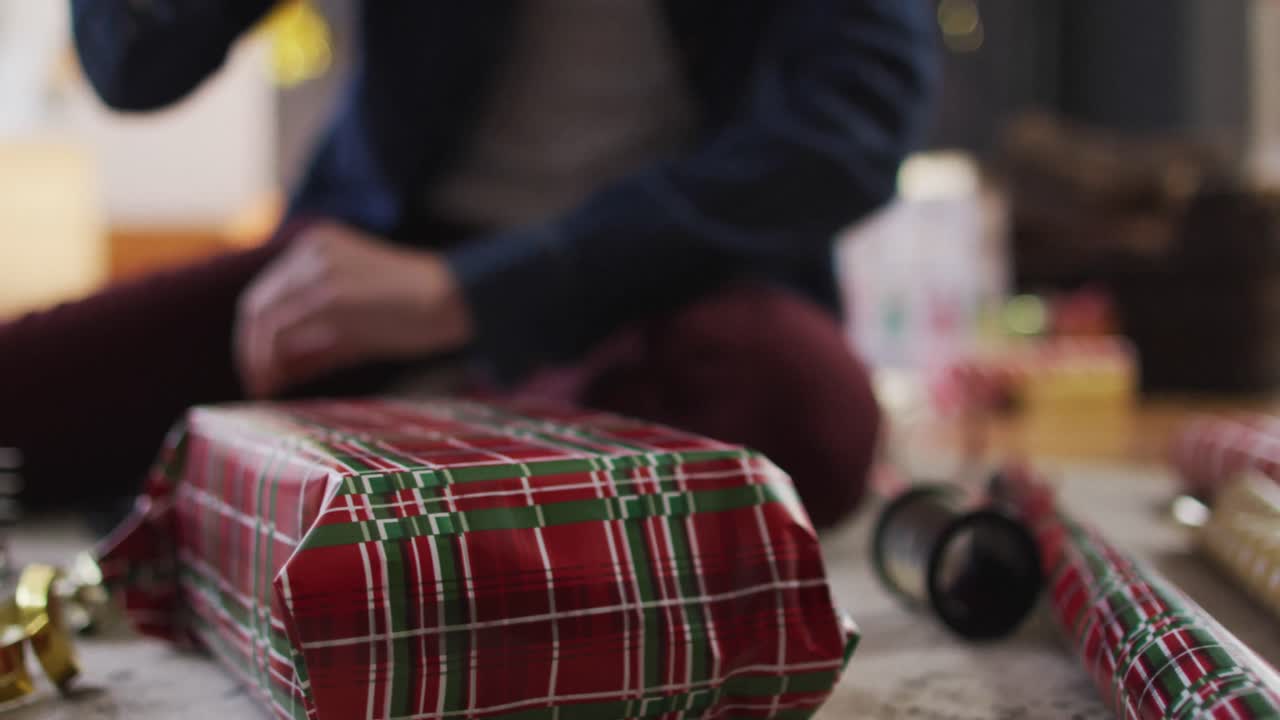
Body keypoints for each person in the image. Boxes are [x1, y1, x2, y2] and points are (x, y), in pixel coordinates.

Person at [1, 0, 937, 529]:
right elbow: (133, 63)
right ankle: (385, 477)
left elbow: (845, 134)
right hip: (370, 269)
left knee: (799, 410)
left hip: (674, 289)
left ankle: (315, 482)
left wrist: (473, 297)